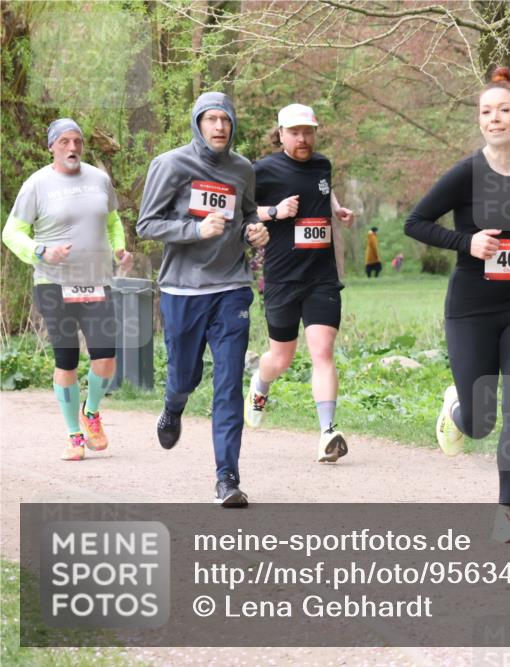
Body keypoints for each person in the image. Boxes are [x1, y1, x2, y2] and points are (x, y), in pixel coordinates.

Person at [404, 67, 510, 542]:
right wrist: (467, 242)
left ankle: (506, 514)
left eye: (504, 110)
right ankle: (455, 408)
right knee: (481, 423)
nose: (494, 118)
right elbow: (415, 223)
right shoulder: (467, 173)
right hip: (471, 308)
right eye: (486, 111)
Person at [137, 92, 269, 507]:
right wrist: (194, 231)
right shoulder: (171, 165)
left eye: (225, 120)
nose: (219, 127)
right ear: (197, 123)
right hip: (183, 289)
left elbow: (248, 213)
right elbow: (147, 224)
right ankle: (173, 406)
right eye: (211, 119)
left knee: (229, 384)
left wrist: (254, 231)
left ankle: (227, 477)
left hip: (231, 287)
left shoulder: (242, 168)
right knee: (185, 377)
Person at [2, 118, 133, 461]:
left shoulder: (100, 179)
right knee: (67, 359)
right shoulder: (36, 185)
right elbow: (12, 233)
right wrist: (42, 252)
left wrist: (119, 249)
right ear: (51, 147)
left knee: (106, 356)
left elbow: (113, 222)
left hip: (96, 280)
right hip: (53, 283)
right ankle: (74, 435)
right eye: (64, 142)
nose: (72, 148)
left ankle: (91, 413)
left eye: (77, 141)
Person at [243, 103, 355, 463]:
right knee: (281, 357)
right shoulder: (262, 170)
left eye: (308, 131)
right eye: (295, 132)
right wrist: (275, 212)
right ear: (280, 134)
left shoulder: (323, 164)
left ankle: (327, 433)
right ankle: (260, 385)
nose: (303, 138)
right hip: (282, 278)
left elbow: (323, 188)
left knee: (322, 352)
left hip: (321, 277)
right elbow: (243, 211)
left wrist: (336, 208)